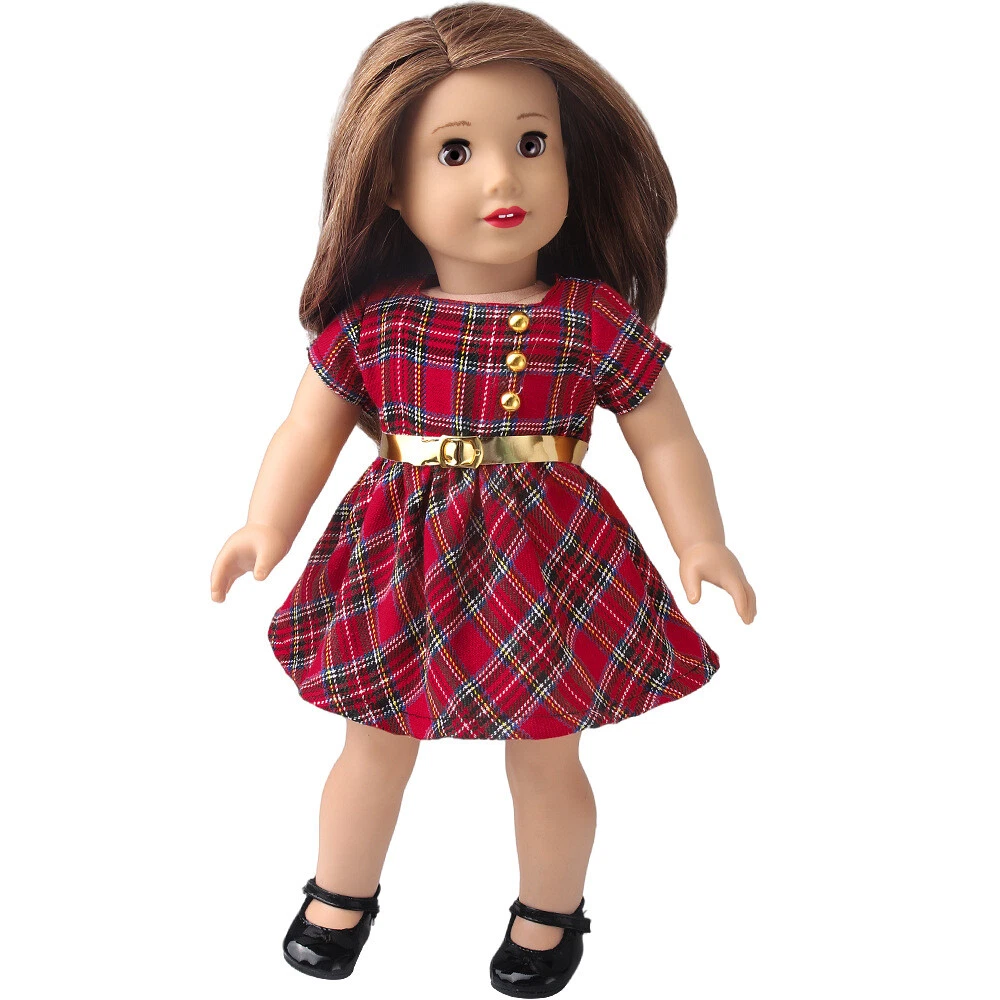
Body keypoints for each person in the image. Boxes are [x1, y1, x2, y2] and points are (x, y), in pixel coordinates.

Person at [210, 4, 756, 995]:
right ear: (389, 184)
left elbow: (664, 434)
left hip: (547, 561)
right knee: (375, 741)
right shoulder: (377, 324)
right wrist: (265, 525)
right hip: (400, 555)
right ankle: (340, 893)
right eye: (455, 152)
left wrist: (701, 539)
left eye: (532, 144)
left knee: (547, 749)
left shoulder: (591, 319)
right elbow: (305, 430)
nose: (503, 179)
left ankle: (549, 911)